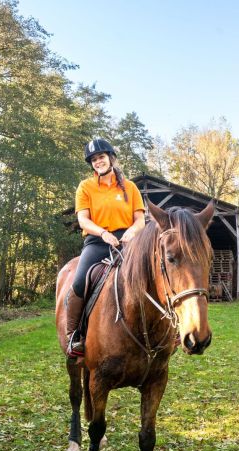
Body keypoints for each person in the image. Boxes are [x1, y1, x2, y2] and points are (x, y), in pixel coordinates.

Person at [66, 138, 146, 357]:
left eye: (100, 157)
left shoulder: (130, 187)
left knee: (152, 273)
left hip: (128, 241)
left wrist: (132, 232)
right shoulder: (86, 187)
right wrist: (103, 233)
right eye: (93, 160)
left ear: (111, 158)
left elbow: (140, 220)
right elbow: (83, 220)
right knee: (80, 280)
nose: (97, 162)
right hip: (97, 241)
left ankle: (170, 328)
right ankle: (74, 336)